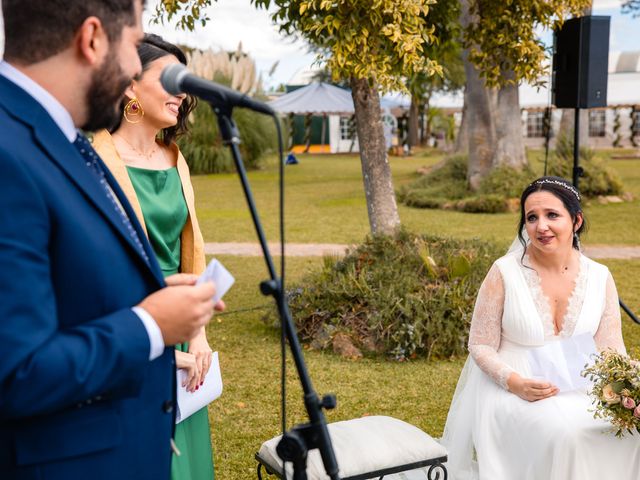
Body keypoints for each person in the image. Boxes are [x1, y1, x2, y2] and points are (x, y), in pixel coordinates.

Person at [0, 2, 220, 478]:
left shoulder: (61, 139)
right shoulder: (8, 151)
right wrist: (151, 326)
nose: (129, 69)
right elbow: (15, 372)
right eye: (131, 42)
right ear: (93, 38)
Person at [441, 176, 640, 480]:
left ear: (576, 220)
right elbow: (479, 345)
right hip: (514, 389)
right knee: (567, 435)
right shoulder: (503, 272)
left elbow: (611, 347)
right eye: (531, 217)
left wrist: (629, 391)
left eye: (552, 215)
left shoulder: (600, 276)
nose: (540, 226)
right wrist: (515, 382)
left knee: (630, 431)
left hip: (584, 387)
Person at [92, 33, 216, 480]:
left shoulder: (175, 159)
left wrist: (197, 336)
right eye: (168, 78)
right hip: (132, 324)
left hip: (183, 328)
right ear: (129, 86)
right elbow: (95, 269)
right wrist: (156, 342)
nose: (182, 92)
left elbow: (192, 254)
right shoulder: (95, 161)